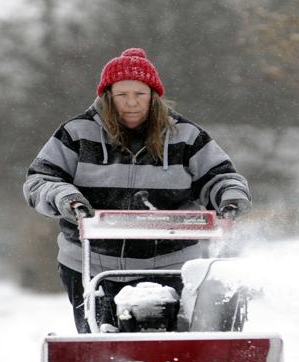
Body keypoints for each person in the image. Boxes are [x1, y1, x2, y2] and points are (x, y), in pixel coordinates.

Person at [24, 47, 251, 333]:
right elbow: (39, 180)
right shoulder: (76, 134)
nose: (131, 103)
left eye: (140, 95)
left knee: (173, 349)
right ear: (108, 97)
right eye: (122, 95)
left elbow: (221, 177)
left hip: (172, 266)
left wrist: (229, 198)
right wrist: (65, 198)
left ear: (154, 97)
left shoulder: (186, 136)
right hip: (93, 266)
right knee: (103, 349)